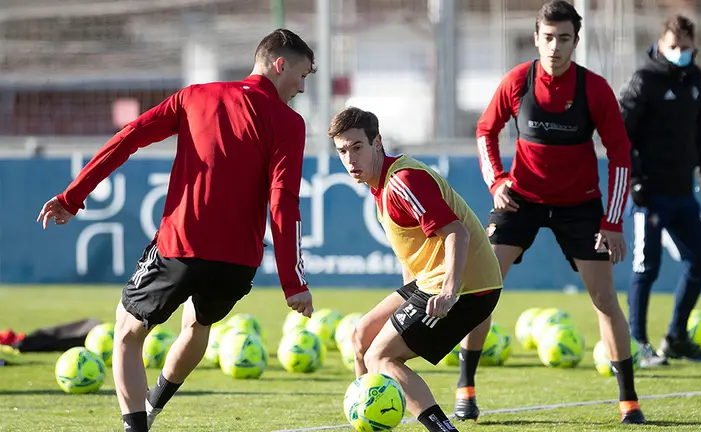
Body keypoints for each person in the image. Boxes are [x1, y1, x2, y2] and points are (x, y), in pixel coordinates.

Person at [36, 29, 316, 432]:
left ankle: (136, 426)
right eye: (302, 76)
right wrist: (293, 282)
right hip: (238, 264)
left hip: (181, 246)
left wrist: (72, 196)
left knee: (127, 332)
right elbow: (283, 200)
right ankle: (153, 405)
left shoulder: (196, 96)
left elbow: (128, 138)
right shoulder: (289, 121)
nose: (302, 89)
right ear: (280, 64)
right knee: (198, 325)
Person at [463, 0, 646, 425]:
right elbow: (485, 130)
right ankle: (466, 391)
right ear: (536, 39)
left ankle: (629, 402)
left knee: (604, 300)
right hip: (520, 200)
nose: (555, 47)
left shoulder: (594, 88)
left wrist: (612, 221)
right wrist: (497, 182)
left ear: (575, 42)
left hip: (580, 206)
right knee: (482, 291)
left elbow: (619, 153)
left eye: (564, 39)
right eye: (548, 38)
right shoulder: (517, 81)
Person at [329, 107, 503, 432]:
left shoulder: (403, 180)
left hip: (465, 288)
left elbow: (456, 233)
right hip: (434, 281)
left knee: (380, 358)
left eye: (357, 147)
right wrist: (407, 301)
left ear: (377, 143)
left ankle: (442, 429)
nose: (350, 159)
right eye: (342, 151)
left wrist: (449, 292)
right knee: (361, 338)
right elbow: (415, 254)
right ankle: (368, 419)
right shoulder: (381, 185)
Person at [619, 14, 701, 366]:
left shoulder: (695, 82)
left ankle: (675, 336)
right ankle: (637, 343)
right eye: (672, 47)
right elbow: (621, 136)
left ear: (694, 48)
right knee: (647, 267)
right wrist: (635, 181)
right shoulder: (645, 79)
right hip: (650, 195)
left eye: (685, 48)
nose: (679, 53)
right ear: (661, 45)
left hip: (683, 193)